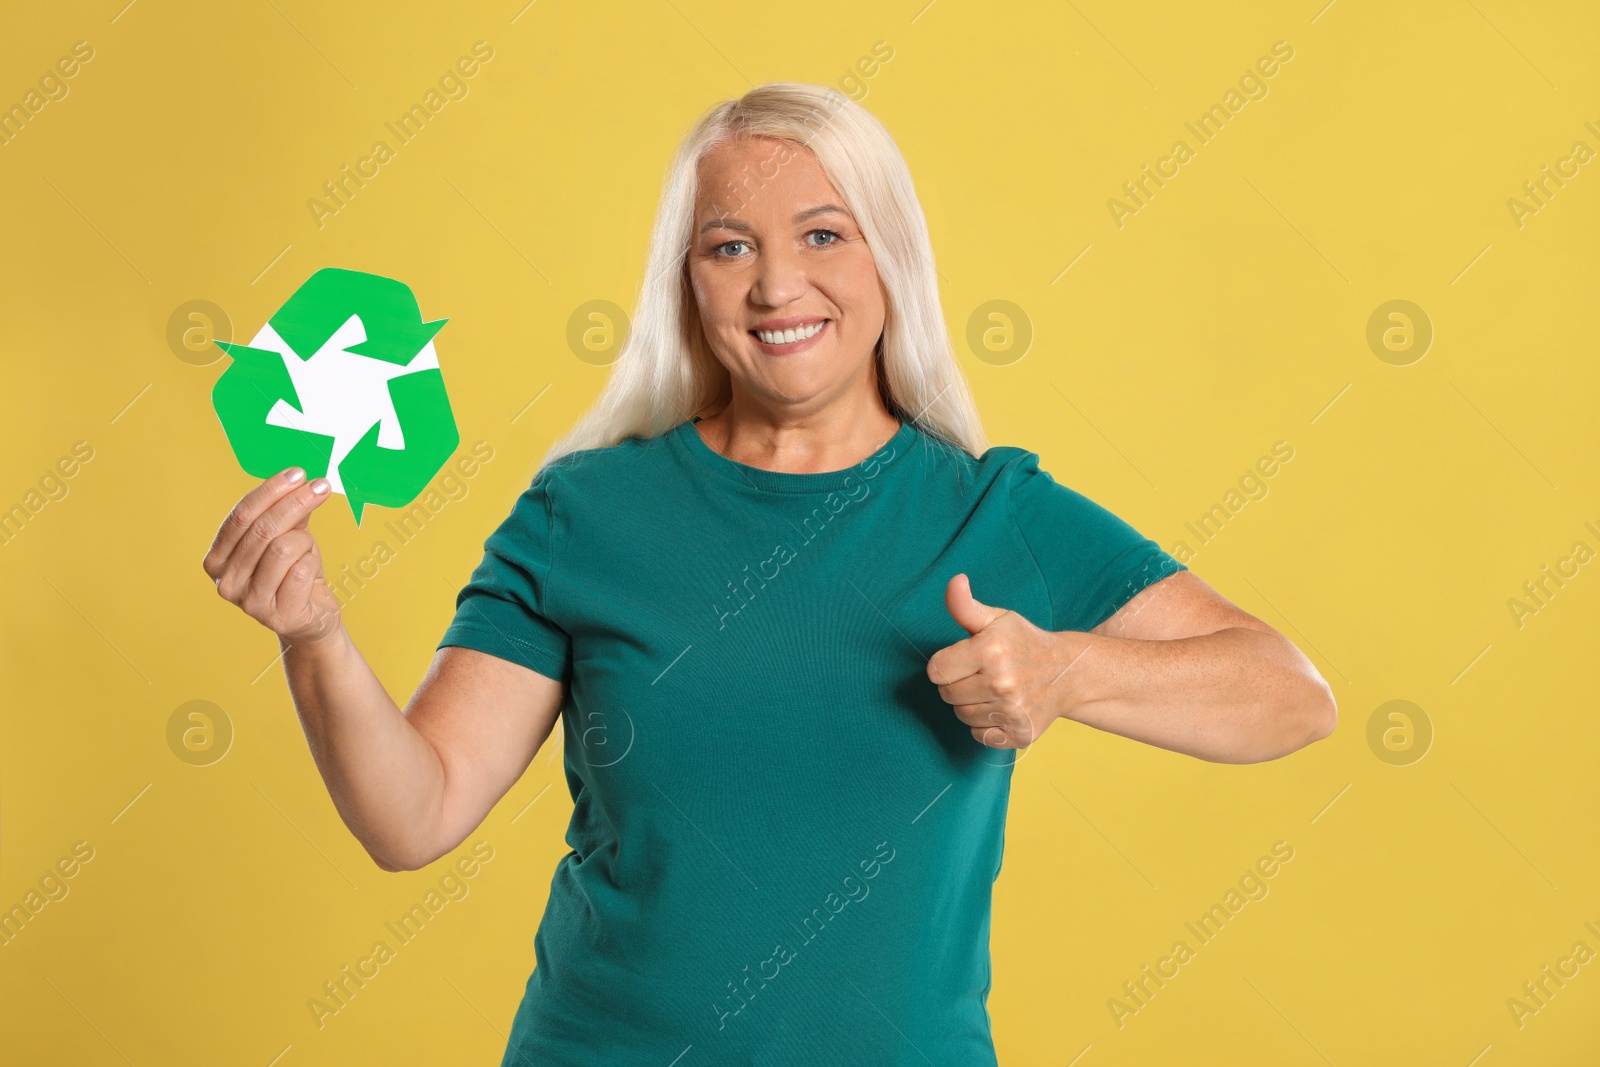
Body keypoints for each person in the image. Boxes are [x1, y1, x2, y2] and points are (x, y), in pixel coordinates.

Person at [203, 82, 1336, 1066]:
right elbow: (416, 811)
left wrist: (1068, 672)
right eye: (729, 245)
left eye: (824, 235)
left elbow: (1289, 695)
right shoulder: (581, 512)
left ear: (892, 257)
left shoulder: (992, 512)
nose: (776, 285)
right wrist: (314, 637)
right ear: (686, 281)